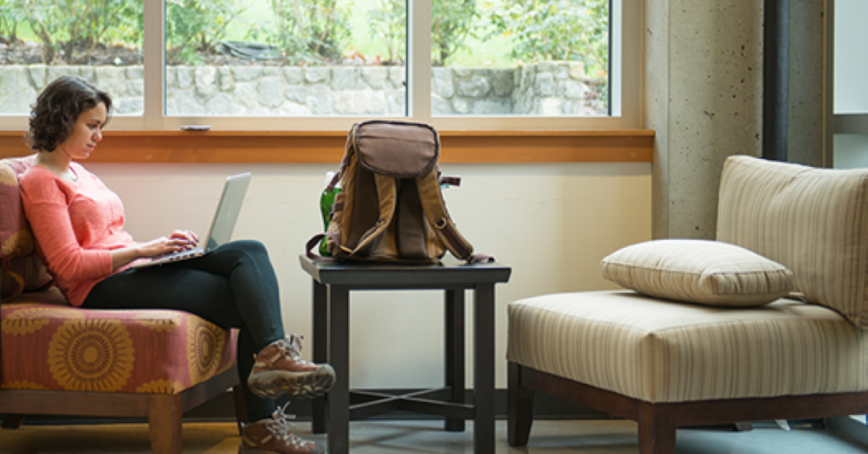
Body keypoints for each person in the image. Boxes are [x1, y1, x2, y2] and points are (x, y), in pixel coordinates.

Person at [20, 75, 332, 454]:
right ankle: (264, 415)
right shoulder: (41, 180)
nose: (99, 136)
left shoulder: (79, 171)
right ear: (62, 119)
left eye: (101, 126)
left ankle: (272, 365)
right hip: (98, 288)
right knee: (247, 295)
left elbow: (107, 237)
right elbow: (68, 265)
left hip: (128, 270)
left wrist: (161, 248)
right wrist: (143, 251)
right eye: (93, 126)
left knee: (248, 251)